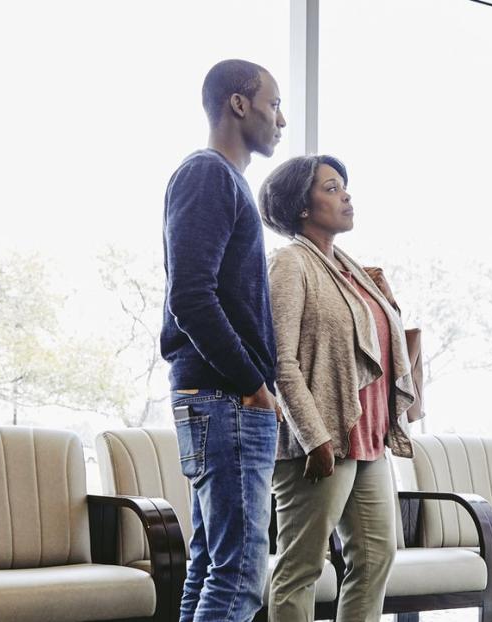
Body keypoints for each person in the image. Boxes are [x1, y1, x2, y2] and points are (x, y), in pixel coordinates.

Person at [258, 154, 417, 622]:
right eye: (330, 188)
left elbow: (382, 347)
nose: (345, 195)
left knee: (375, 559)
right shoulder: (290, 263)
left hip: (367, 441)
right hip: (320, 443)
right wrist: (314, 436)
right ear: (301, 205)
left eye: (344, 186)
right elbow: (279, 359)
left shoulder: (350, 270)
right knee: (302, 567)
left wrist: (387, 302)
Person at [161, 58, 286, 622]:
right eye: (274, 104)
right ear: (239, 103)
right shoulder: (208, 175)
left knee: (212, 566)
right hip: (225, 398)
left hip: (220, 399)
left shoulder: (224, 180)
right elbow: (190, 297)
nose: (280, 119)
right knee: (238, 576)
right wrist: (254, 385)